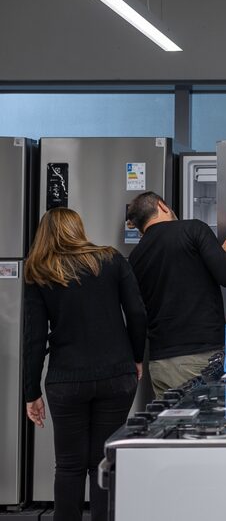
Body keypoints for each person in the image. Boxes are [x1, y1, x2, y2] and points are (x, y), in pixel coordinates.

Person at [23, 208, 146, 521]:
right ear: (79, 228)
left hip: (66, 379)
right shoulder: (111, 259)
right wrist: (135, 357)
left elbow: (34, 337)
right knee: (104, 461)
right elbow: (137, 314)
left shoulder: (39, 270)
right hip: (116, 374)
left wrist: (30, 391)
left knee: (69, 465)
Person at [126, 192, 226, 398]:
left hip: (159, 362)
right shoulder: (193, 229)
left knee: (172, 426)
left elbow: (137, 312)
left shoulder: (136, 255)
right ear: (162, 206)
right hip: (199, 357)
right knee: (203, 426)